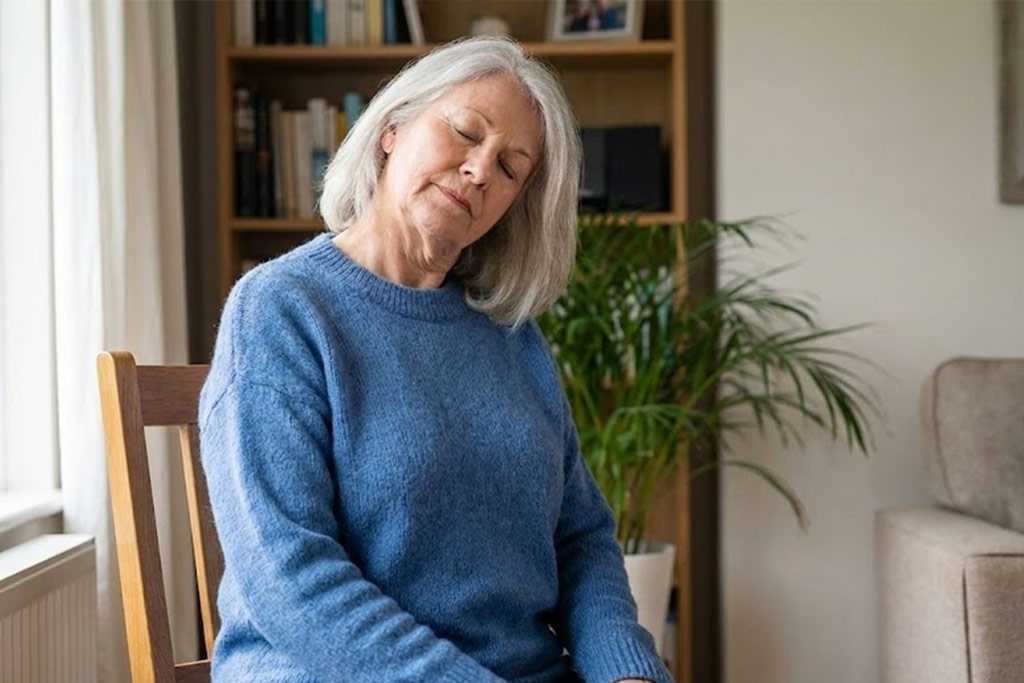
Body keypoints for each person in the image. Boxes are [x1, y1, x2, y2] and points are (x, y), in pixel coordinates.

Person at [199, 36, 673, 683]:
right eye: (465, 132)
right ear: (392, 126)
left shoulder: (512, 335)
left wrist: (628, 671)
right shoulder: (282, 309)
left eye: (510, 168)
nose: (479, 170)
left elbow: (581, 537)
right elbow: (287, 573)